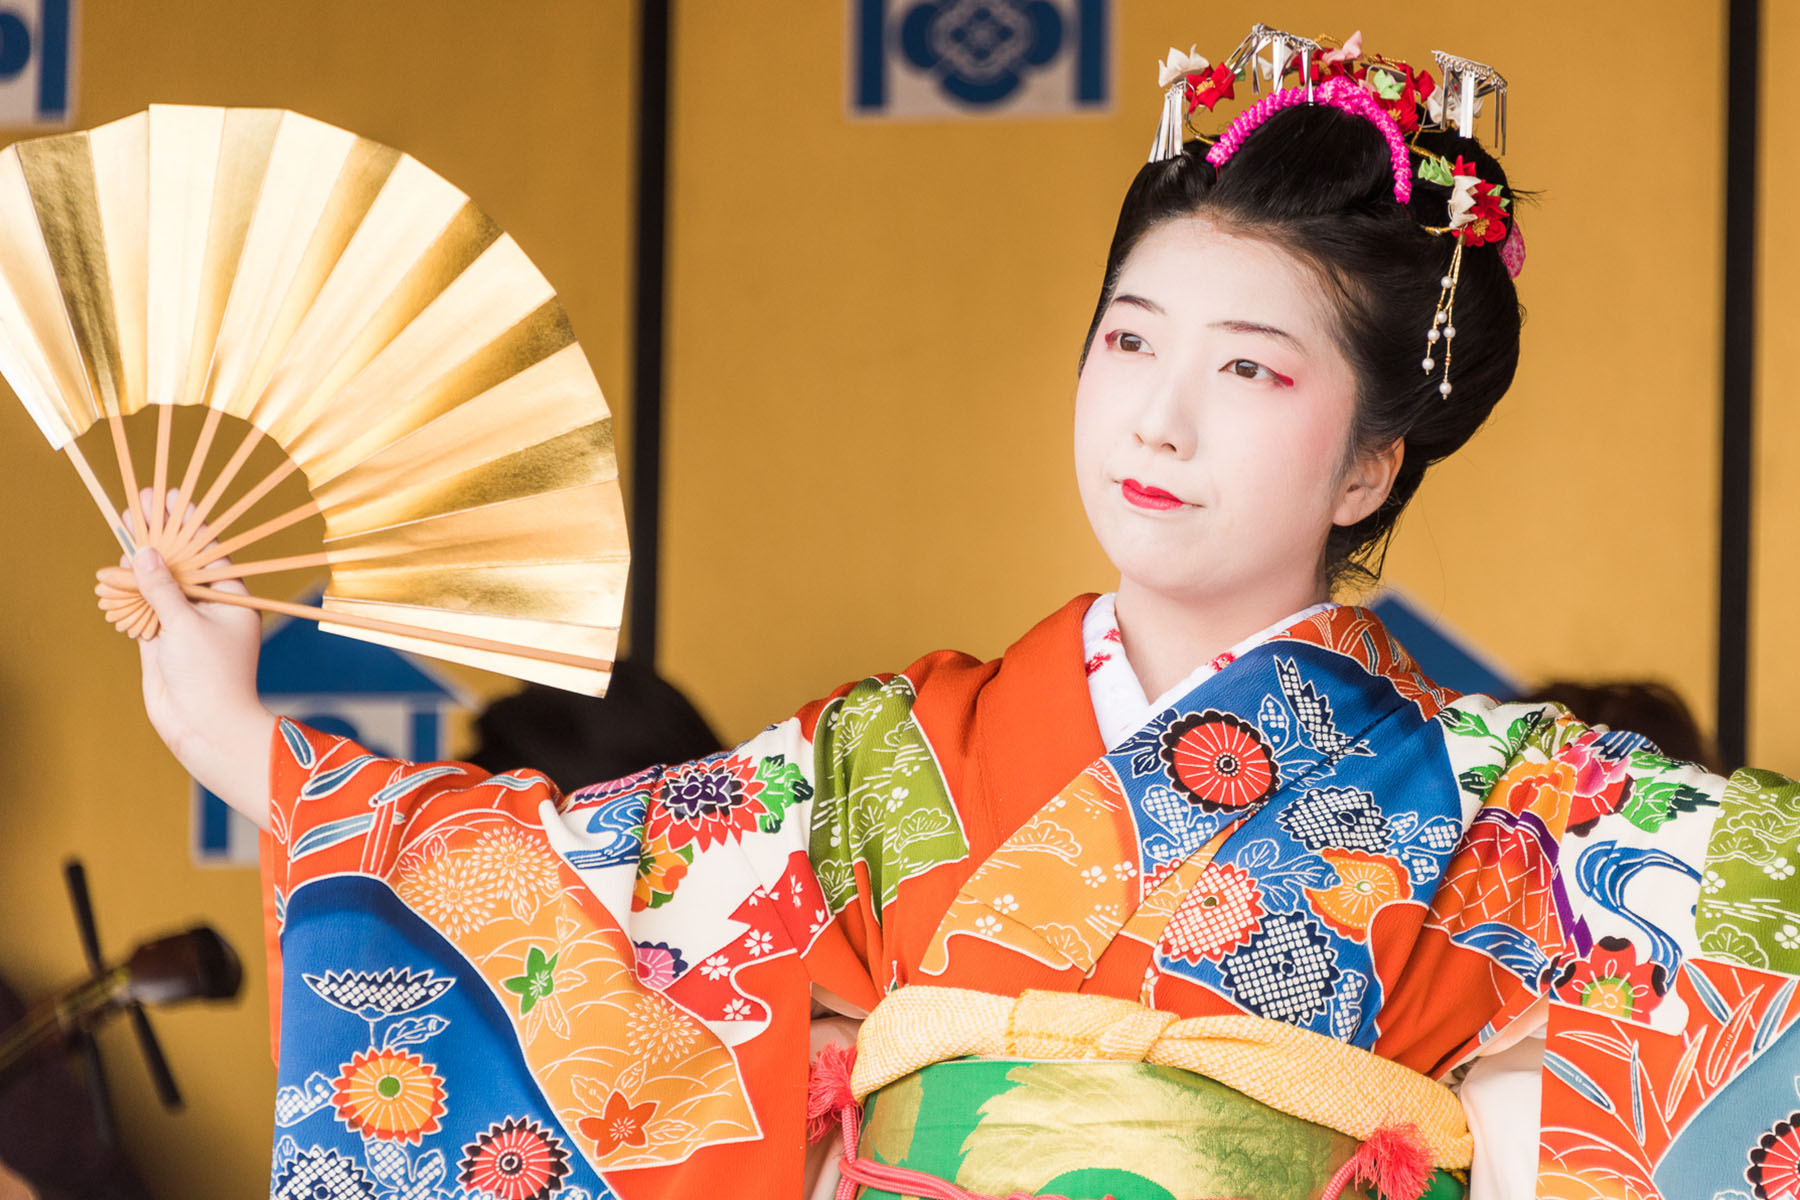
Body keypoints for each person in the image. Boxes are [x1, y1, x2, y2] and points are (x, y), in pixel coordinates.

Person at [121, 26, 1800, 1200]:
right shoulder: (898, 755)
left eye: (1247, 370)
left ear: (1369, 461)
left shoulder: (1521, 810)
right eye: (1131, 340)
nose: (1156, 416)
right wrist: (245, 741)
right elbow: (572, 908)